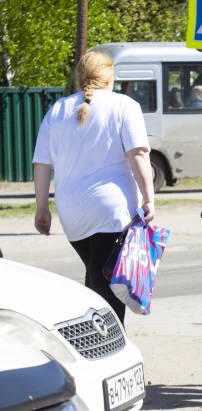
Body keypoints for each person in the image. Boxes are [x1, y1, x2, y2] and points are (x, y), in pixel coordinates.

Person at [32, 51, 155, 325]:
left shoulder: (58, 109)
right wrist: (149, 198)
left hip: (72, 214)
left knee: (96, 277)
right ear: (109, 78)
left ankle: (94, 342)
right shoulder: (124, 105)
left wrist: (42, 207)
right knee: (108, 291)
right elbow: (138, 154)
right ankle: (109, 349)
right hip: (112, 213)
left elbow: (41, 164)